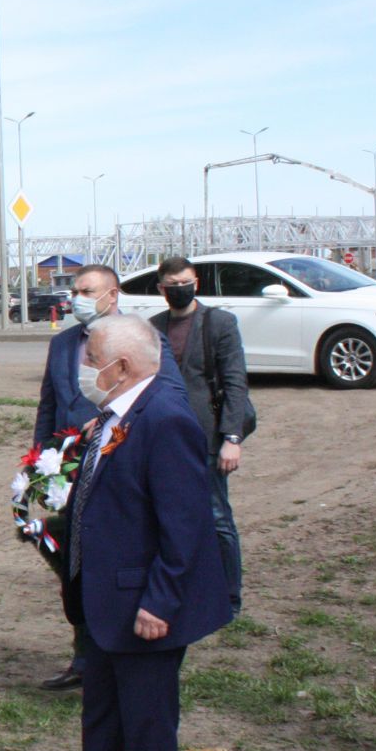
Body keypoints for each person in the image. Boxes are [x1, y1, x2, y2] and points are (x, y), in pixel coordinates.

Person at [22, 315, 230, 751]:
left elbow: (185, 524)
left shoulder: (165, 419)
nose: (83, 369)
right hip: (105, 596)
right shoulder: (117, 415)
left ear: (121, 366)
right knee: (103, 709)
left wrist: (160, 600)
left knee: (148, 716)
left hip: (144, 600)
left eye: (91, 359)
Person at [32, 265, 186, 691]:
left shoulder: (141, 340)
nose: (76, 298)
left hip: (117, 469)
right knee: (71, 560)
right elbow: (50, 404)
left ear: (112, 295)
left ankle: (118, 651)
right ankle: (85, 656)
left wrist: (110, 425)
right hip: (71, 470)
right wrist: (42, 462)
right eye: (75, 290)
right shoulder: (64, 344)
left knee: (109, 561)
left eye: (87, 291)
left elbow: (169, 394)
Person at [151, 257, 253, 620]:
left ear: (196, 281)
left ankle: (229, 598)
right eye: (172, 283)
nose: (179, 288)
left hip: (208, 438)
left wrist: (232, 437)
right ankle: (184, 588)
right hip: (165, 438)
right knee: (169, 518)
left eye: (185, 281)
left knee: (217, 518)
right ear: (162, 288)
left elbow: (235, 382)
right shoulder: (154, 327)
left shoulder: (219, 323)